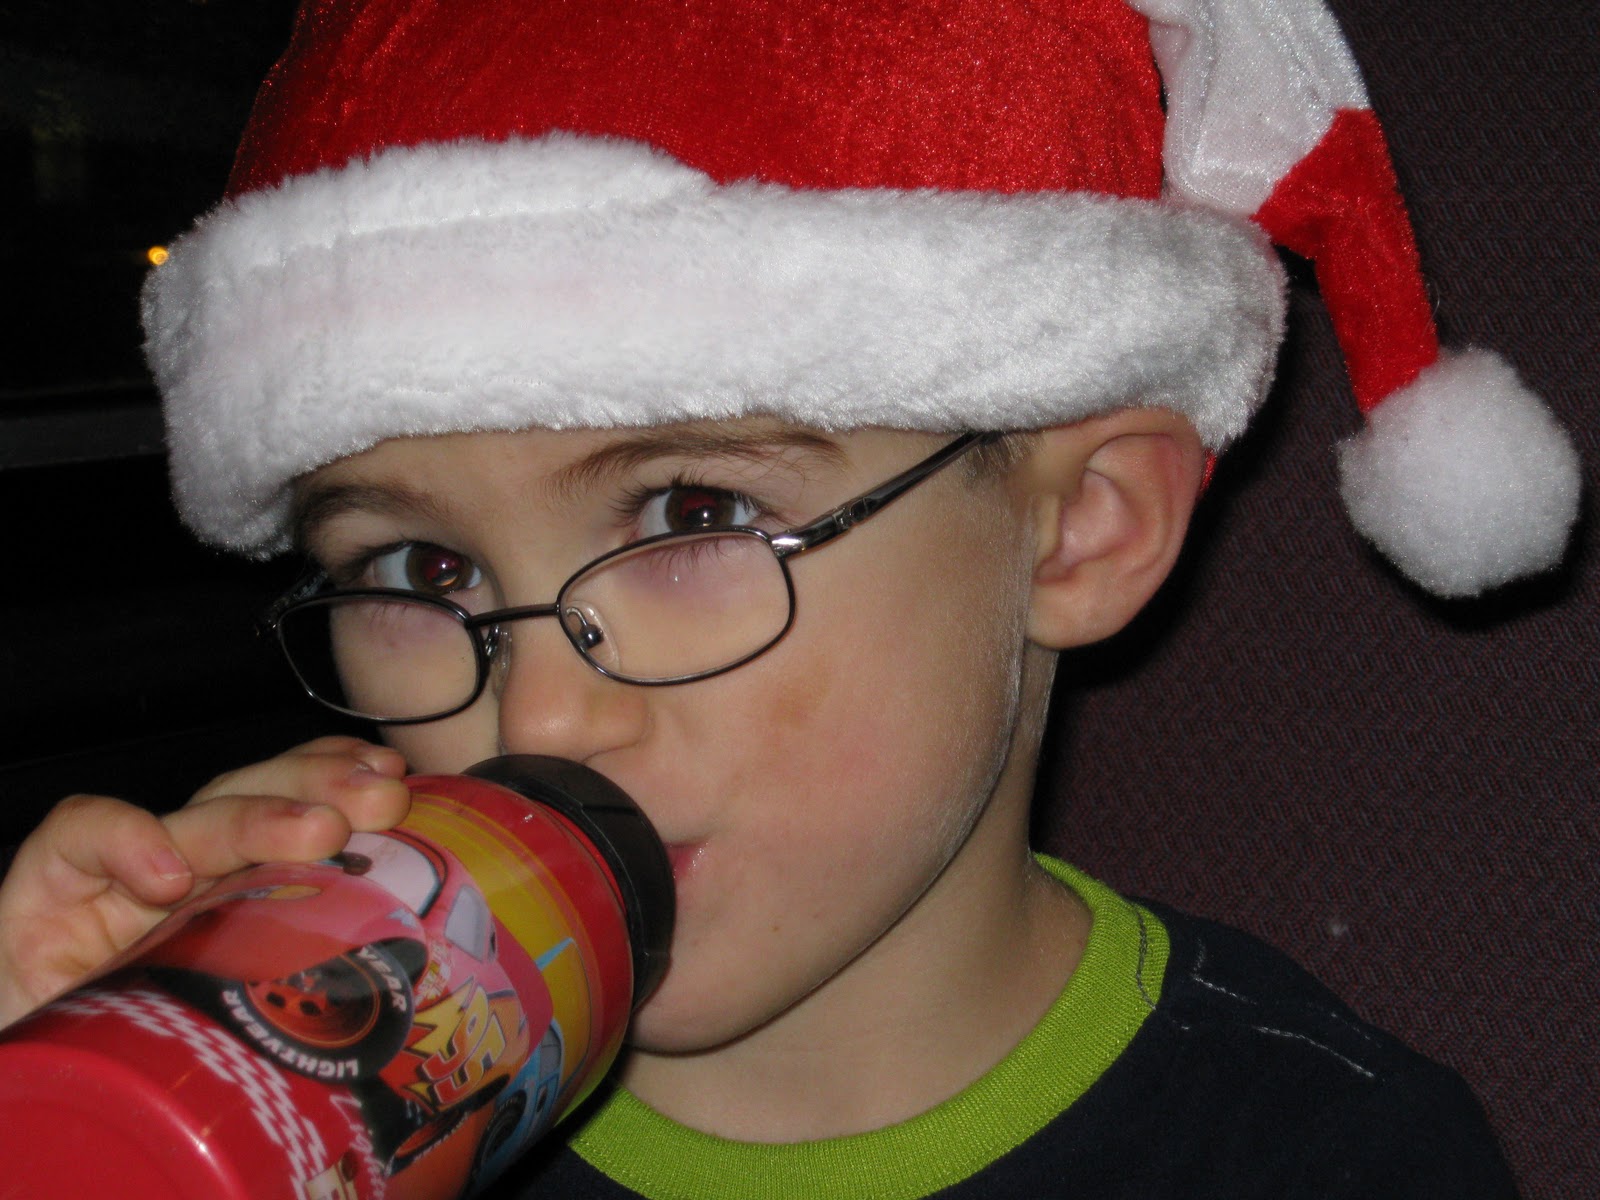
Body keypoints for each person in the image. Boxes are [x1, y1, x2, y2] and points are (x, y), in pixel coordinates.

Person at [0, 0, 1580, 1195]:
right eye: (420, 571)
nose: (541, 713)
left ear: (1080, 531)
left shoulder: (1328, 1152)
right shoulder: (315, 1125)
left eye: (694, 513)